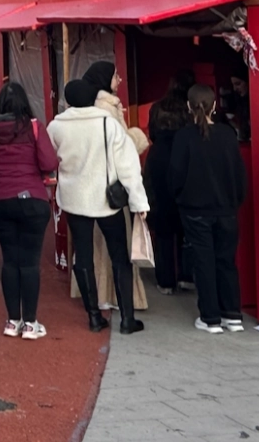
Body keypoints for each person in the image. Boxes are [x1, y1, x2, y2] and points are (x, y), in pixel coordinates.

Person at [48, 78, 149, 335]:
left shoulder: (56, 126)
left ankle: (93, 316)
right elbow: (128, 166)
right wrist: (139, 201)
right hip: (107, 200)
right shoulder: (107, 123)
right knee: (119, 255)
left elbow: (50, 159)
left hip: (73, 198)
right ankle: (127, 318)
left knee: (82, 257)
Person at [0, 82, 58, 340]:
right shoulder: (34, 127)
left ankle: (12, 321)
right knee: (30, 261)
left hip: (2, 199)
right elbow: (49, 162)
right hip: (32, 198)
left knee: (10, 260)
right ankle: (31, 323)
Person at [74, 62, 149, 315]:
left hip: (85, 188)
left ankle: (96, 299)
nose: (120, 79)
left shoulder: (92, 107)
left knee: (91, 247)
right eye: (116, 74)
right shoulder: (108, 108)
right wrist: (138, 138)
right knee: (115, 248)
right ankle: (117, 301)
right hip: (109, 188)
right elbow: (122, 150)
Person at [173, 85, 249, 333]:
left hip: (195, 210)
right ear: (214, 106)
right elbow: (239, 173)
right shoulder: (227, 134)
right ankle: (232, 314)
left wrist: (179, 197)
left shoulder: (184, 136)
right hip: (226, 209)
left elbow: (175, 175)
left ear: (188, 107)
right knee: (226, 261)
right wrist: (236, 200)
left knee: (203, 261)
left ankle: (210, 317)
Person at [145, 71, 195, 294]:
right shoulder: (189, 107)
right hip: (185, 156)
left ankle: (166, 281)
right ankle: (187, 276)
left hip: (159, 157)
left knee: (163, 224)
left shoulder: (157, 106)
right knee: (187, 221)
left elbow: (153, 133)